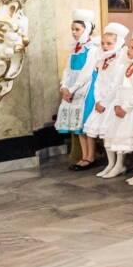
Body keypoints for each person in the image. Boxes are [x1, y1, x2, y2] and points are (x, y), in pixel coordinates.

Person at [103, 26, 133, 178]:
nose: (128, 50)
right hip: (122, 104)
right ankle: (116, 164)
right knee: (113, 134)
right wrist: (117, 103)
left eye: (132, 48)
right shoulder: (129, 64)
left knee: (132, 139)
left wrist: (125, 107)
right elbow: (120, 86)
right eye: (129, 47)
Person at [57, 9, 101, 169]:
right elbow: (67, 69)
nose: (74, 33)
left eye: (77, 29)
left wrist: (73, 88)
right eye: (72, 29)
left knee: (85, 122)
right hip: (73, 88)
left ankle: (91, 157)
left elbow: (87, 72)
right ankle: (84, 155)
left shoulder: (93, 48)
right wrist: (64, 86)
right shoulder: (75, 48)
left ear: (87, 29)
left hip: (87, 87)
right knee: (78, 125)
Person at [85, 23, 128, 177]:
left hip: (113, 101)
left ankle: (120, 164)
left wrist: (104, 102)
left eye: (109, 43)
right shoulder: (102, 59)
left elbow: (116, 84)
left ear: (118, 43)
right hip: (102, 101)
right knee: (105, 135)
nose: (105, 46)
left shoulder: (120, 60)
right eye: (103, 43)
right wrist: (98, 100)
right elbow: (98, 81)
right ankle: (110, 163)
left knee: (114, 134)